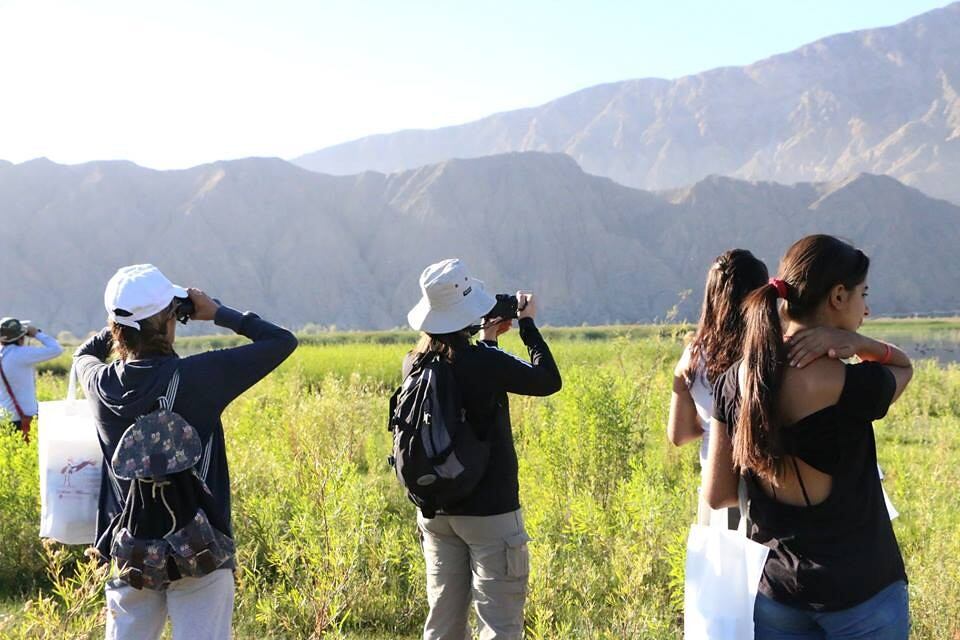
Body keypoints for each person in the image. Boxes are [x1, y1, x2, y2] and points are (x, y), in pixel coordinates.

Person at [704, 235, 913, 639]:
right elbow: (904, 367)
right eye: (861, 294)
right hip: (863, 594)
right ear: (838, 296)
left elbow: (718, 495)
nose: (865, 308)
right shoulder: (848, 383)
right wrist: (858, 343)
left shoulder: (734, 381)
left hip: (778, 595)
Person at [73, 264, 297, 640]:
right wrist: (218, 313)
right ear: (170, 319)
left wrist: (123, 318)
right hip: (200, 550)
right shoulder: (199, 376)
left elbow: (84, 352)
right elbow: (281, 341)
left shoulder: (97, 383)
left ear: (117, 330)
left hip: (130, 550)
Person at [404, 258, 562, 640]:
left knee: (442, 624)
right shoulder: (484, 362)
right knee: (499, 626)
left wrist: (488, 340)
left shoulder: (414, 362)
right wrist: (528, 325)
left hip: (437, 511)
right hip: (490, 512)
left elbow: (463, 390)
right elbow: (547, 380)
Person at [666, 249, 768, 528]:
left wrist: (710, 422)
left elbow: (679, 434)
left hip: (714, 487)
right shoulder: (765, 352)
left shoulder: (694, 355)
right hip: (764, 494)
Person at [0, 317, 64, 439]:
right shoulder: (22, 354)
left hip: (4, 417)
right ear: (21, 338)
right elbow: (56, 349)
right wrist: (37, 334)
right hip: (25, 417)